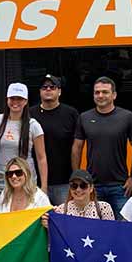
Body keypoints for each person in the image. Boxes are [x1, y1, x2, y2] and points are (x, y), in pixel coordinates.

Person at [71, 77, 132, 219]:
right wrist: (77, 177)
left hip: (121, 186)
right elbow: (77, 148)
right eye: (97, 92)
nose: (100, 96)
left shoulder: (127, 117)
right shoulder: (84, 117)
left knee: (124, 228)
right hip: (92, 186)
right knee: (95, 231)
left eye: (105, 92)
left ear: (114, 95)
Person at [0, 157, 50, 262]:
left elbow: (49, 226)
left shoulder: (39, 197)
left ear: (27, 174)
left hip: (34, 248)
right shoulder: (5, 196)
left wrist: (47, 224)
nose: (14, 177)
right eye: (9, 174)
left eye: (18, 172)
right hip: (12, 245)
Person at [0, 83, 48, 212]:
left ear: (25, 101)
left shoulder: (34, 125)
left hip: (26, 182)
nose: (15, 102)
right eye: (12, 98)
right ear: (7, 100)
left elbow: (41, 158)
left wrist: (44, 187)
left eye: (19, 99)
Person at [30, 75, 80, 206]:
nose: (48, 89)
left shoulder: (71, 114)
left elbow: (77, 147)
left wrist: (75, 176)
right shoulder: (30, 114)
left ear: (59, 91)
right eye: (44, 87)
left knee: (65, 221)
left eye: (52, 87)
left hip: (64, 181)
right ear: (40, 91)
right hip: (34, 182)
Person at [44, 169, 115, 221]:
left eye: (83, 185)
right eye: (74, 186)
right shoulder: (60, 210)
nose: (78, 190)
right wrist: (48, 223)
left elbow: (111, 233)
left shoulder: (104, 208)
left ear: (91, 188)